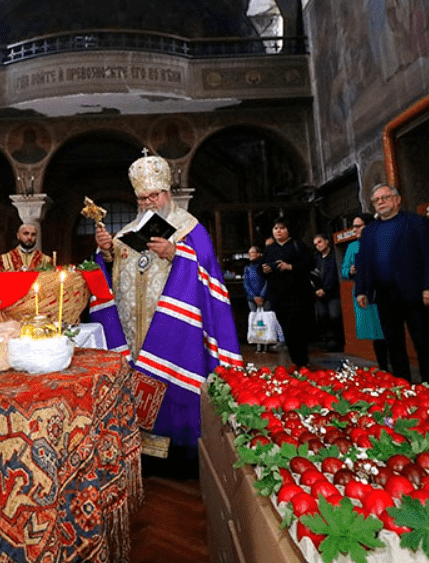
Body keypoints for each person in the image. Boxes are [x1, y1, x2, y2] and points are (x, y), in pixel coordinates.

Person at [91, 154, 241, 452]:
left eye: (154, 196)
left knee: (172, 384)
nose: (148, 203)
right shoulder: (126, 233)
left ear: (167, 193)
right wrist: (106, 253)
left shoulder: (190, 228)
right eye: (142, 198)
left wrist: (175, 254)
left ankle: (180, 446)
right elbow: (114, 277)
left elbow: (209, 274)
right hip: (133, 333)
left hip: (174, 329)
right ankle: (138, 442)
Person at [355, 183, 429, 386]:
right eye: (376, 200)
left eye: (385, 198)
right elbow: (363, 263)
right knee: (393, 343)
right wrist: (361, 290)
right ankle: (402, 385)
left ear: (397, 199)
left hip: (414, 292)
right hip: (384, 294)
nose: (381, 202)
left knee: (422, 341)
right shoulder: (369, 231)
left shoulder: (416, 222)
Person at [261, 218, 315, 367]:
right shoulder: (270, 249)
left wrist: (291, 267)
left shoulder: (298, 245)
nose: (278, 231)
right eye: (276, 228)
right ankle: (295, 360)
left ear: (288, 230)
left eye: (282, 228)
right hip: (278, 296)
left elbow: (310, 263)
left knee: (298, 327)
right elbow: (261, 268)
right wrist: (265, 269)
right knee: (287, 328)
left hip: (298, 295)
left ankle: (302, 360)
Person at [341, 213, 388, 371]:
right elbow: (344, 270)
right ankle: (383, 366)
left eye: (358, 226)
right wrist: (350, 270)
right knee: (376, 332)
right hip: (365, 292)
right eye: (353, 226)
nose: (355, 230)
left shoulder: (381, 242)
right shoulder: (353, 247)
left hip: (383, 288)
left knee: (389, 329)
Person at [311, 234, 344, 351]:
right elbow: (313, 275)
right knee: (322, 316)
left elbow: (335, 275)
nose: (318, 246)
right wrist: (317, 289)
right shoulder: (316, 259)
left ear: (326, 241)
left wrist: (326, 289)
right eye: (315, 244)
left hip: (333, 293)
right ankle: (329, 341)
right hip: (320, 294)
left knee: (335, 316)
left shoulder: (335, 256)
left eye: (319, 242)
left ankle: (339, 342)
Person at [242, 245, 270, 352]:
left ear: (258, 254)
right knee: (255, 320)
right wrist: (253, 296)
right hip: (252, 298)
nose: (251, 255)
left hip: (265, 297)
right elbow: (246, 283)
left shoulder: (263, 266)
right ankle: (258, 342)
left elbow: (267, 281)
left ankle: (266, 343)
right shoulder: (247, 268)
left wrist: (262, 296)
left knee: (266, 320)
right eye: (249, 253)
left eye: (253, 252)